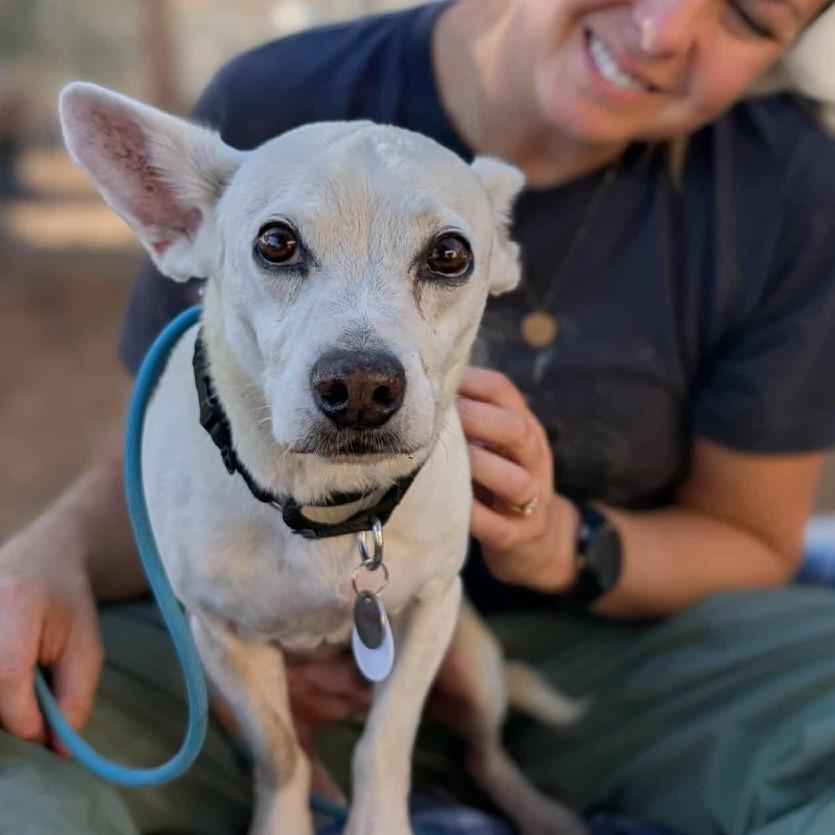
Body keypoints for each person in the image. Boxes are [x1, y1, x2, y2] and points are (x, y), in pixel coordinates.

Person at [2, 0, 835, 833]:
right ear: (183, 225)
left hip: (618, 648)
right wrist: (49, 551)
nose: (661, 29)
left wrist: (563, 543)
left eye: (747, 14)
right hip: (229, 646)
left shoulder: (786, 184)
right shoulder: (270, 102)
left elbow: (757, 538)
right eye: (282, 249)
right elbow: (166, 449)